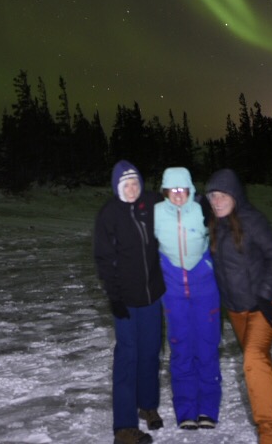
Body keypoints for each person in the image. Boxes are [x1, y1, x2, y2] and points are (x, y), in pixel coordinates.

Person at [205, 169, 272, 444]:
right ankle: (271, 392)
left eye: (222, 195)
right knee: (259, 359)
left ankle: (270, 434)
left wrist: (265, 295)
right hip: (236, 310)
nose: (216, 201)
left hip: (264, 304)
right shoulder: (214, 225)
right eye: (212, 195)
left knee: (252, 359)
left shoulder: (253, 220)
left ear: (235, 195)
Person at [94, 160, 166, 444]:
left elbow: (176, 205)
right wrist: (114, 297)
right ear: (117, 187)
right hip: (125, 299)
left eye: (135, 182)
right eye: (126, 184)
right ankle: (124, 427)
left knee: (150, 352)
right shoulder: (109, 215)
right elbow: (103, 259)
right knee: (128, 356)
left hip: (152, 296)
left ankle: (147, 405)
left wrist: (197, 200)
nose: (132, 188)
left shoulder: (150, 203)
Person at [154, 166, 222, 430]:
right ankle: (186, 412)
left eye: (183, 189)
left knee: (206, 349)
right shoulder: (156, 214)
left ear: (190, 189)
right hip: (173, 292)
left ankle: (208, 410)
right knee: (181, 351)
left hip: (206, 290)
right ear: (166, 191)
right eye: (173, 190)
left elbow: (229, 230)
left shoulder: (203, 209)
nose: (178, 195)